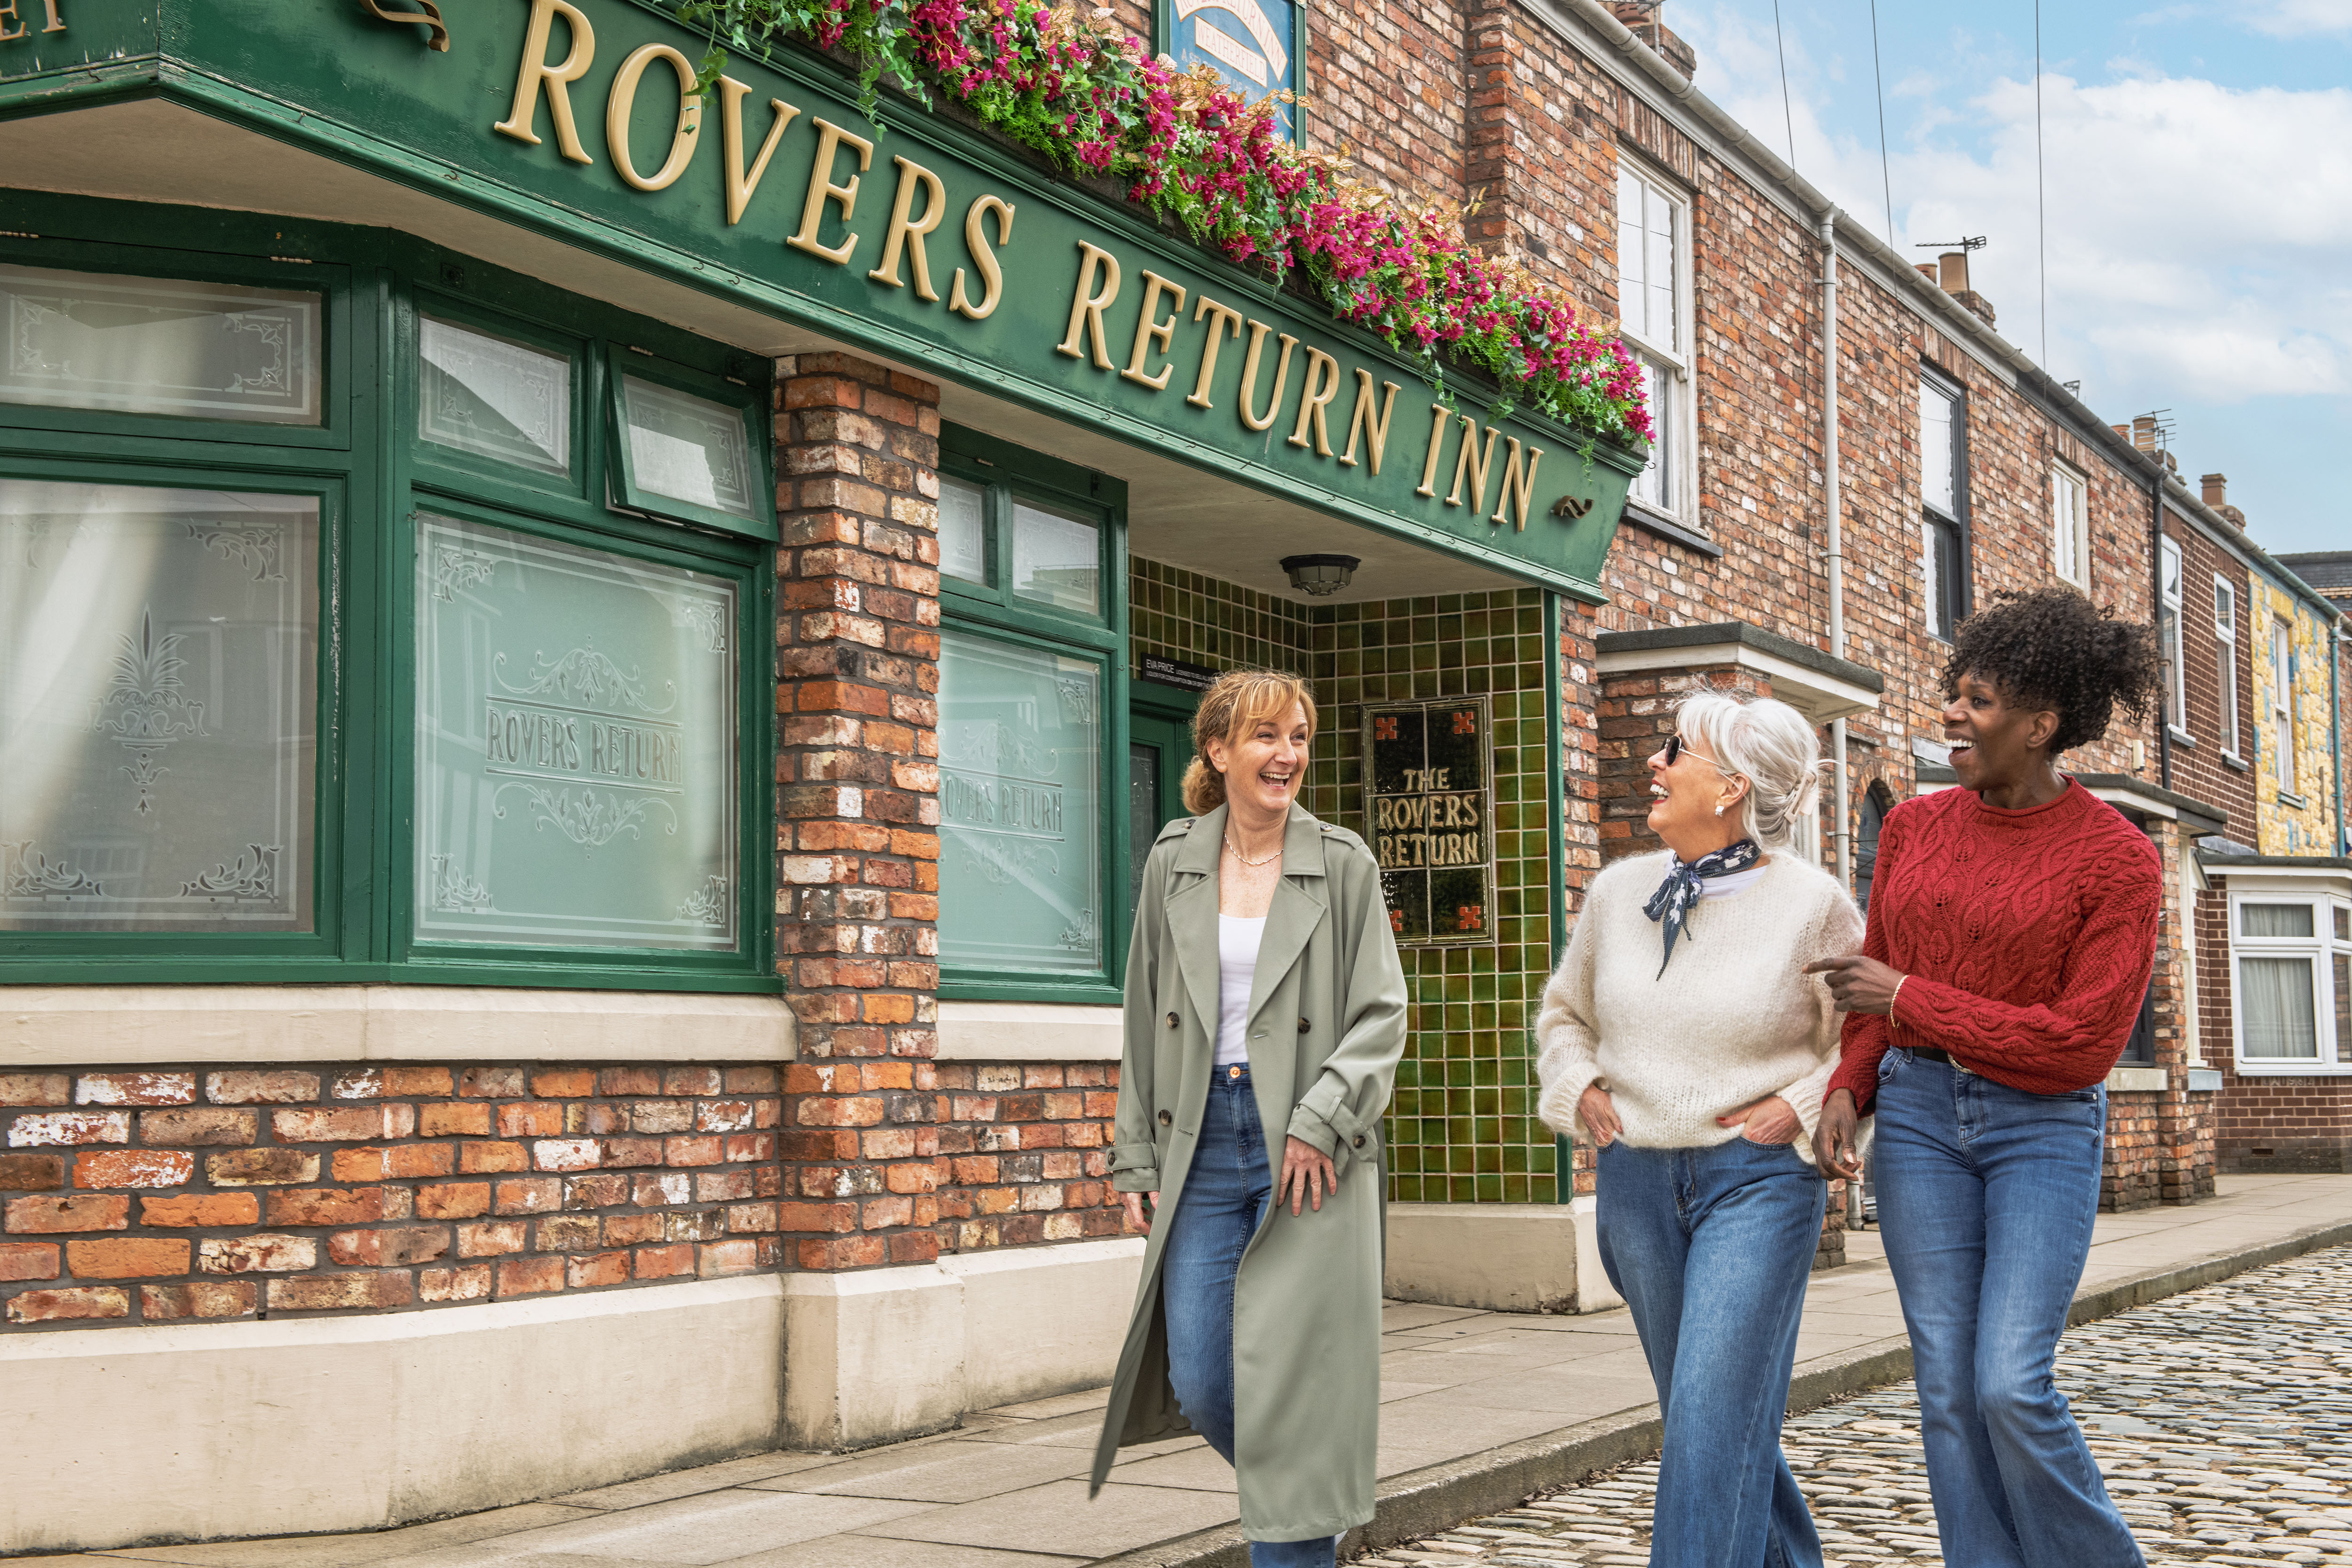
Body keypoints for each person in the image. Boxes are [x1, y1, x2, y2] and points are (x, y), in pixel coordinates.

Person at [1809, 588, 2162, 1568]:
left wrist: (1910, 999)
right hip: (1918, 1118)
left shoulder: (2117, 859)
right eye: (1953, 694)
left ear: (2040, 723)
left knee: (2009, 1380)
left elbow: (2081, 1043)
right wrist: (1851, 1080)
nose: (1952, 714)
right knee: (1947, 1386)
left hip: (2040, 1125)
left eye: (1978, 699)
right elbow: (1875, 981)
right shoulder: (1917, 829)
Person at [1535, 691, 1863, 1568]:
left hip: (1754, 1183)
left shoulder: (1813, 906)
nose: (1654, 760)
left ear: (1730, 786)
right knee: (1709, 1419)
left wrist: (1796, 1106)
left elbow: (1864, 1043)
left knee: (1712, 1423)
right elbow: (1565, 1016)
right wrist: (1580, 1085)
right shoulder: (1617, 894)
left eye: (1674, 748)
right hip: (1637, 1188)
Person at [1089, 669, 1408, 1567]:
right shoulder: (1174, 859)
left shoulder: (1341, 861)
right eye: (1267, 736)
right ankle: (1310, 1499)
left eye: (1299, 736)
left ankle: (1300, 1524)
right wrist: (1136, 1158)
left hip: (1305, 1146)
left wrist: (1324, 1115)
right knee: (1203, 1376)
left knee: (1297, 1381)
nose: (1288, 754)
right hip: (1200, 1139)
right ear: (1219, 750)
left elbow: (1382, 1012)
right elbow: (1143, 1010)